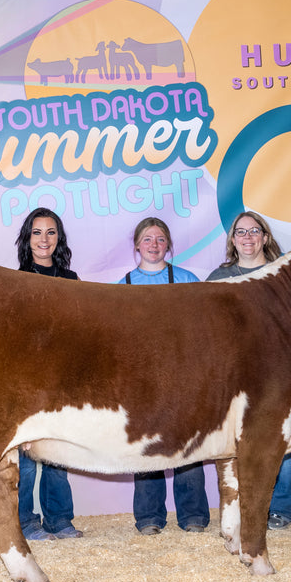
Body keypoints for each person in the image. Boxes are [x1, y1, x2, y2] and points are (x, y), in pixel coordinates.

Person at [205, 211, 291, 529]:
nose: (248, 237)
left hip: (278, 369)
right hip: (233, 374)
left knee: (284, 436)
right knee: (233, 441)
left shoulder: (284, 274)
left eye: (254, 231)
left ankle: (284, 507)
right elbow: (208, 331)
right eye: (241, 232)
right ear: (233, 240)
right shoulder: (219, 278)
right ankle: (242, 506)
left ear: (265, 237)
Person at [123, 217, 210, 535]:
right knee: (147, 449)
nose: (154, 244)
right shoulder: (123, 286)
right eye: (147, 239)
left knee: (188, 446)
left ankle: (193, 516)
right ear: (137, 245)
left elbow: (203, 330)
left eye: (160, 239)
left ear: (169, 244)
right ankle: (149, 517)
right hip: (142, 382)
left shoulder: (186, 279)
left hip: (183, 378)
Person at [14, 207, 83, 540]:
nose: (44, 239)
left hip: (62, 383)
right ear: (28, 238)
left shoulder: (71, 282)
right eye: (37, 232)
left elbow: (81, 333)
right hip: (25, 381)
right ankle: (25, 522)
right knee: (26, 457)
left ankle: (58, 519)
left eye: (51, 232)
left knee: (57, 452)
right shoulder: (14, 281)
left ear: (59, 238)